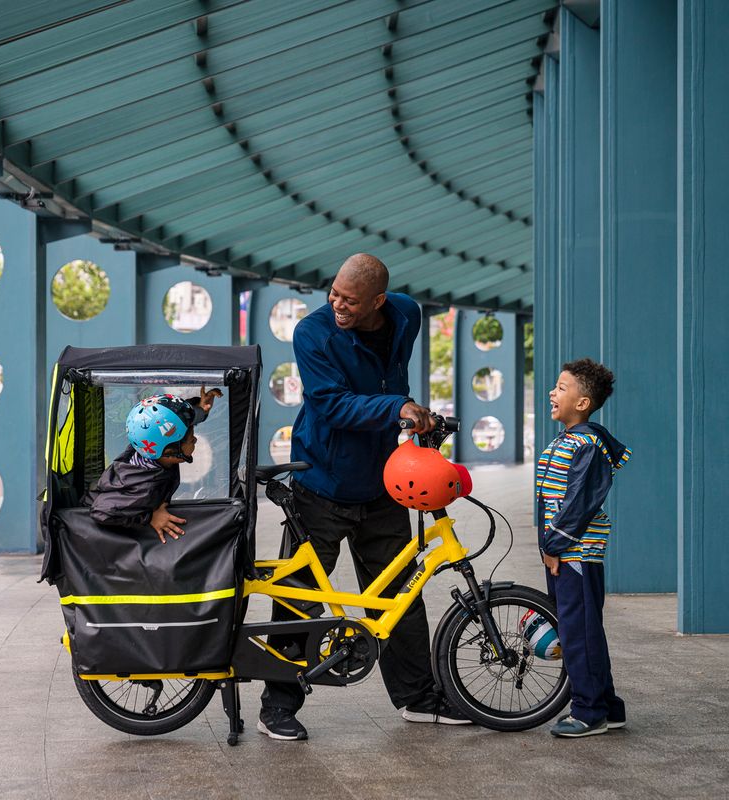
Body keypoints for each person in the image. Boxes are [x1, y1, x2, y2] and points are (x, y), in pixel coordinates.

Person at [257, 253, 471, 741]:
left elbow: (392, 373)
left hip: (384, 483)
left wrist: (406, 410)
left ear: (378, 301)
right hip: (320, 484)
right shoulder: (312, 333)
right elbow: (331, 405)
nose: (337, 304)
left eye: (350, 300)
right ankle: (277, 706)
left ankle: (418, 698)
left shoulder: (406, 314)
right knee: (298, 598)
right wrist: (398, 407)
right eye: (334, 293)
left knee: (401, 594)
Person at [536, 358, 631, 738]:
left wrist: (554, 544)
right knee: (583, 629)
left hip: (574, 554)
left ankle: (589, 712)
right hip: (565, 552)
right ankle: (608, 706)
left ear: (582, 402)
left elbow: (579, 504)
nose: (552, 392)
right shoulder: (568, 440)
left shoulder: (587, 444)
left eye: (561, 388)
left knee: (579, 634)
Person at [83, 387, 222, 541]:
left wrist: (201, 409)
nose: (195, 440)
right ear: (170, 452)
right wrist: (149, 517)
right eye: (191, 440)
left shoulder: (149, 446)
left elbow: (171, 424)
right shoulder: (145, 487)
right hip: (90, 528)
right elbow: (101, 512)